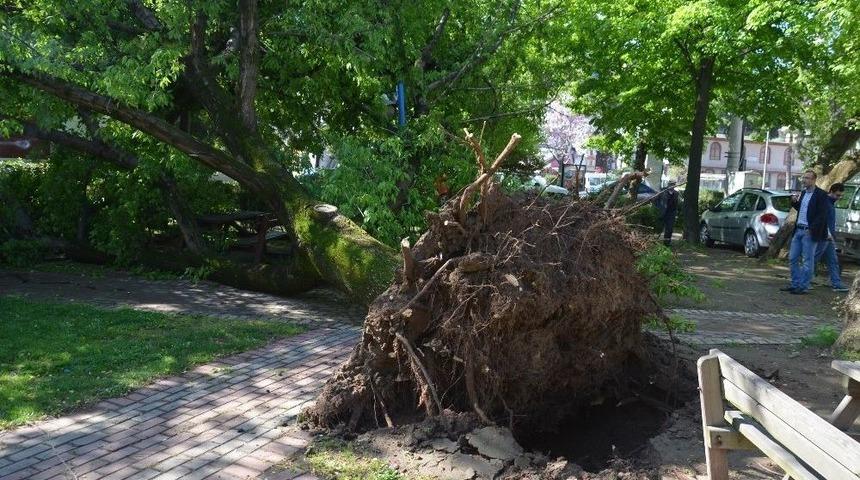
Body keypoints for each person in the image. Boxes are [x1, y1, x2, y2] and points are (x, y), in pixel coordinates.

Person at [781, 170, 830, 294]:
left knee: (807, 260)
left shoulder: (821, 195)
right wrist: (794, 202)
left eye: (807, 178)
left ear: (814, 180)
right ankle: (795, 283)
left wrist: (811, 229)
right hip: (798, 229)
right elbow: (802, 210)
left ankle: (804, 286)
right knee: (792, 258)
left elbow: (822, 215)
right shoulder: (803, 193)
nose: (804, 180)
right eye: (803, 178)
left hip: (809, 232)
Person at [814, 183, 849, 292]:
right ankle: (802, 279)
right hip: (824, 236)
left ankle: (836, 282)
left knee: (832, 260)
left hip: (829, 237)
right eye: (838, 195)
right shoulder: (825, 203)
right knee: (814, 258)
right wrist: (827, 233)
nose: (839, 198)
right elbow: (823, 220)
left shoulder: (830, 203)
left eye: (841, 196)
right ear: (831, 192)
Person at [657, 181, 679, 246]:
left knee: (669, 230)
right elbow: (655, 200)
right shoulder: (662, 191)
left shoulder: (676, 193)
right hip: (663, 213)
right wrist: (659, 207)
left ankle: (666, 244)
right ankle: (655, 241)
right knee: (659, 228)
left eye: (673, 185)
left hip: (671, 214)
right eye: (671, 184)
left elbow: (677, 203)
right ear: (668, 185)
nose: (672, 186)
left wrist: (676, 212)